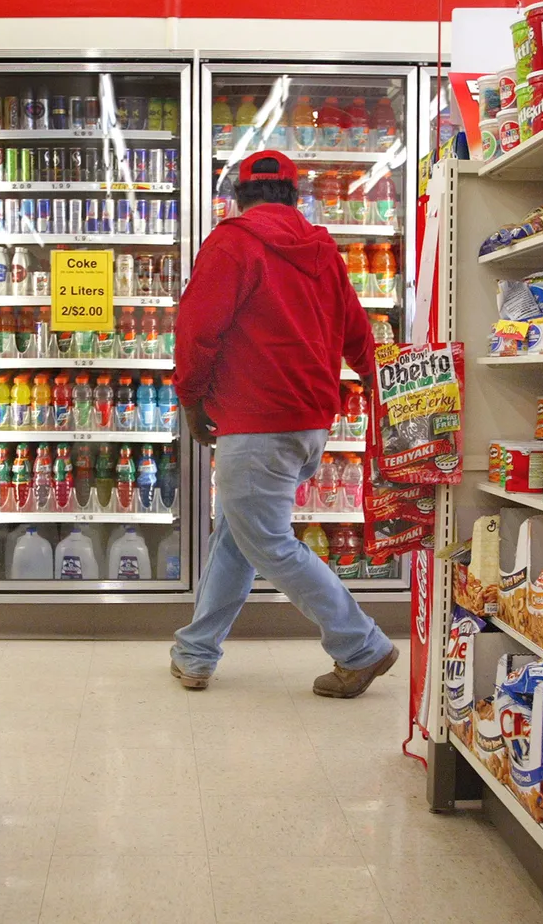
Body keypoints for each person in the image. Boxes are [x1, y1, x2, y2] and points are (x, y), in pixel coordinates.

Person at [170, 150, 397, 698]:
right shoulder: (322, 249)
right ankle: (195, 653)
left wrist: (191, 399)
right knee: (237, 536)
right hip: (310, 425)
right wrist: (380, 385)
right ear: (296, 198)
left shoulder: (231, 242)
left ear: (240, 198)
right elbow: (356, 331)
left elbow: (198, 329)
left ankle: (361, 645)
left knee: (267, 541)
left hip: (256, 423)